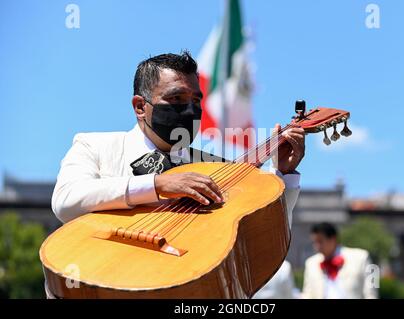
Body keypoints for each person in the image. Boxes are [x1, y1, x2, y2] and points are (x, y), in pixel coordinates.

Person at [48, 51, 305, 298]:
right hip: (101, 280)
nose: (190, 111)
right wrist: (157, 183)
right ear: (140, 106)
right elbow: (66, 201)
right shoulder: (96, 146)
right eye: (177, 99)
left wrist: (284, 172)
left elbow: (260, 238)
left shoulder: (216, 167)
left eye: (195, 101)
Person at [302, 222, 378, 299]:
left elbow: (371, 293)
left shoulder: (361, 257)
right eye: (315, 242)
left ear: (333, 239)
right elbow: (307, 294)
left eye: (320, 241)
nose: (317, 246)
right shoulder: (311, 263)